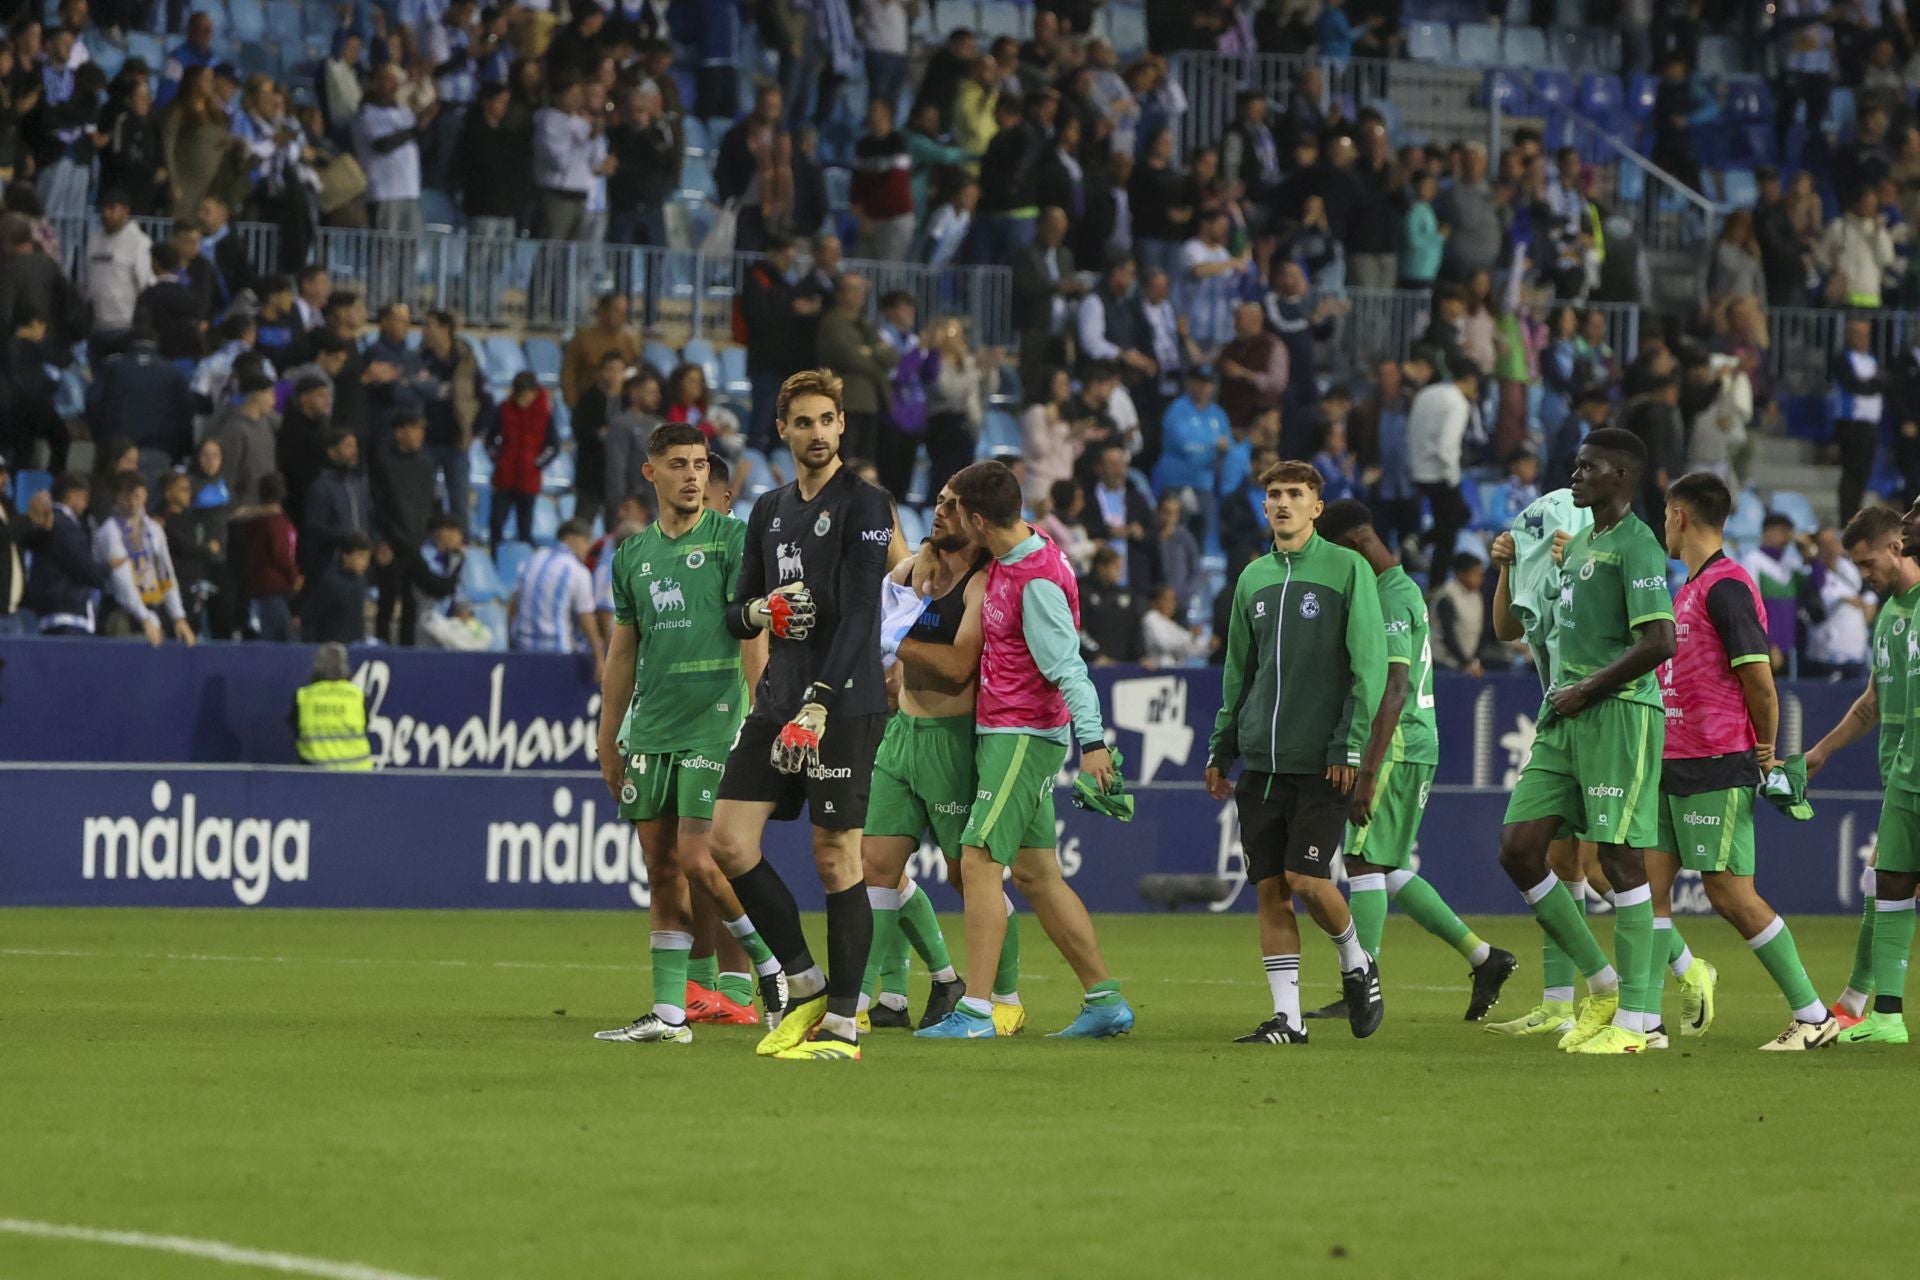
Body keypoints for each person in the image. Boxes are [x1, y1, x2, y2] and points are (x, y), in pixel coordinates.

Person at [908, 460, 1135, 1040]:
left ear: (979, 520)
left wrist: (1094, 743)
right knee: (1037, 875)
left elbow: (1069, 668)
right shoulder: (1025, 549)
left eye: (957, 510)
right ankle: (1105, 1001)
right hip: (1013, 732)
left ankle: (977, 1011)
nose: (950, 519)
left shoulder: (1034, 580)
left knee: (980, 862)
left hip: (1021, 734)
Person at [709, 368, 895, 1063]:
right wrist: (764, 611)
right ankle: (806, 979)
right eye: (803, 422)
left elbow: (861, 615)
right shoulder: (769, 509)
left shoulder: (866, 504)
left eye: (827, 420)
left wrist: (819, 704)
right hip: (776, 701)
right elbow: (736, 611)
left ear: (842, 425)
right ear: (782, 430)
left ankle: (844, 1025)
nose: (817, 433)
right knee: (727, 842)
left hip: (840, 703)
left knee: (834, 855)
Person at [590, 424, 790, 1044]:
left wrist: (761, 719)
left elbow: (753, 632)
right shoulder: (633, 558)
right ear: (651, 473)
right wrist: (608, 735)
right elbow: (623, 655)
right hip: (651, 727)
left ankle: (770, 965)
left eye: (701, 464)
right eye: (678, 464)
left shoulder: (733, 540)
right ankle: (670, 1013)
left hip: (716, 721)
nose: (693, 476)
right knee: (660, 868)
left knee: (700, 858)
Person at [1495, 429, 1677, 1055]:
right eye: (1575, 465)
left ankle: (1638, 1024)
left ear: (1622, 475)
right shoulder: (1580, 547)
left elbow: (1660, 642)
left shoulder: (1638, 545)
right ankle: (1601, 983)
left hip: (1619, 713)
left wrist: (1589, 689)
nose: (1576, 475)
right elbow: (1518, 627)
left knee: (1621, 860)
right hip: (1563, 716)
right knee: (1520, 849)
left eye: (1589, 466)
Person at [1650, 472, 1836, 1050]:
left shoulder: (1726, 586)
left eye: (1664, 514)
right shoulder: (1688, 587)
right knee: (1640, 889)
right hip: (1671, 761)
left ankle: (1812, 1016)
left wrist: (1766, 751)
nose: (1662, 525)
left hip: (1716, 760)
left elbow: (1759, 679)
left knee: (1730, 893)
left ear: (1680, 517)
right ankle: (1640, 1021)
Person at [1204, 460, 1388, 1046]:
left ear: (1316, 507)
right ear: (1264, 507)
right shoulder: (1252, 578)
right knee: (1269, 888)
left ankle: (1357, 962)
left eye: (1295, 494)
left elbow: (1370, 667)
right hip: (1261, 761)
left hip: (1322, 759)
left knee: (1306, 877)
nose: (1283, 503)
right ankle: (1289, 1019)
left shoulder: (1347, 570)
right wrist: (1222, 746)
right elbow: (1240, 671)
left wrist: (1349, 743)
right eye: (1275, 495)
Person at [1312, 501, 1518, 1020]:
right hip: (1413, 742)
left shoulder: (1388, 597)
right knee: (1389, 866)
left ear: (1355, 545)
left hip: (1397, 743)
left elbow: (1395, 685)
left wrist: (1369, 769)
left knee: (1361, 861)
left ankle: (1363, 983)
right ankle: (1484, 957)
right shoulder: (1402, 589)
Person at [856, 498, 1001, 1032]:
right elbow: (884, 577)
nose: (939, 510)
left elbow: (961, 666)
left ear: (977, 522)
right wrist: (916, 552)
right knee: (875, 865)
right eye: (938, 500)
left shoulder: (983, 584)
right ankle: (859, 1004)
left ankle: (1002, 998)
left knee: (970, 877)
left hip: (952, 739)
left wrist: (897, 640)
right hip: (902, 734)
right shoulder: (921, 568)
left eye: (953, 506)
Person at [1805, 505, 1920, 1030]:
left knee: (1888, 880)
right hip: (1904, 773)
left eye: (1869, 564)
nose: (1865, 577)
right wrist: (1821, 751)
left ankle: (1856, 1003)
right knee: (1888, 880)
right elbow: (1871, 702)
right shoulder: (1892, 616)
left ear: (1897, 547)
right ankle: (1879, 1013)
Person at [93, 470, 193, 646]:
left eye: (137, 496)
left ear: (145, 495)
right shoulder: (110, 532)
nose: (132, 503)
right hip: (121, 611)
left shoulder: (154, 530)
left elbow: (165, 576)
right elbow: (121, 581)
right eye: (126, 497)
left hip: (152, 606)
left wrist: (178, 617)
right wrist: (144, 617)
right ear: (116, 498)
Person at [1408, 365, 1477, 585]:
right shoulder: (1457, 403)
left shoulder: (1428, 393)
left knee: (1456, 518)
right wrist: (1453, 479)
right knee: (1448, 535)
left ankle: (1417, 540)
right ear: (1469, 379)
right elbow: (1447, 445)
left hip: (1419, 470)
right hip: (1441, 474)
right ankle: (1435, 585)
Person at [372, 413, 436, 645]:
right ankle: (381, 649)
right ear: (399, 432)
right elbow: (376, 504)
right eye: (414, 429)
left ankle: (408, 653)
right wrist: (381, 540)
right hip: (391, 545)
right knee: (386, 604)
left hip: (416, 544)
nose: (419, 435)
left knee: (412, 604)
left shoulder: (426, 463)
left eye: (421, 430)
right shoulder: (383, 461)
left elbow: (430, 502)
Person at [508, 518, 605, 673]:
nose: (587, 549)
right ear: (572, 537)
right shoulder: (577, 571)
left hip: (522, 648)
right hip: (557, 653)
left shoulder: (531, 559)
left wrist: (510, 641)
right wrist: (600, 659)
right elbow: (586, 618)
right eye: (586, 542)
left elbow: (514, 604)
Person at [486, 371, 557, 553]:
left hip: (528, 480)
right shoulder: (503, 409)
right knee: (496, 523)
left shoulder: (544, 414)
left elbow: (553, 445)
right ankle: (496, 560)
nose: (523, 399)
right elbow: (490, 439)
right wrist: (498, 459)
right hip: (504, 478)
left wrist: (536, 464)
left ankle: (522, 563)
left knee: (524, 528)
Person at [1831, 317, 1886, 525]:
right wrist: (1874, 385)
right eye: (1860, 335)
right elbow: (1856, 385)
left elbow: (1878, 384)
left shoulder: (1871, 359)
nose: (1865, 339)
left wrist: (1873, 385)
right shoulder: (1842, 358)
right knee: (1851, 472)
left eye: (1867, 335)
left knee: (1863, 473)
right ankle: (1845, 517)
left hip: (1870, 423)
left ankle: (1855, 515)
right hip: (1851, 422)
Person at [291, 642, 372, 771]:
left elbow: (295, 729)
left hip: (315, 773)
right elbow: (366, 725)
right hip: (359, 773)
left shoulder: (303, 696)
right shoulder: (357, 696)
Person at [1804, 524, 1872, 678]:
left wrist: (1868, 604)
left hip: (1856, 655)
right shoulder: (1811, 572)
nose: (1830, 548)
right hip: (1827, 658)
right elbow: (1821, 599)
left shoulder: (1850, 568)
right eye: (1824, 543)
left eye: (1833, 542)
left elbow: (1868, 591)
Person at [240, 472, 299, 642]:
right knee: (283, 644)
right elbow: (281, 554)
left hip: (256, 589)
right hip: (274, 590)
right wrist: (294, 576)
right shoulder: (277, 523)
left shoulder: (251, 522)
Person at [303, 532, 373, 646]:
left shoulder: (361, 581)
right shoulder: (330, 581)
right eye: (360, 556)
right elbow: (311, 616)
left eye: (367, 557)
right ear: (346, 556)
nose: (365, 562)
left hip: (355, 646)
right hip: (331, 646)